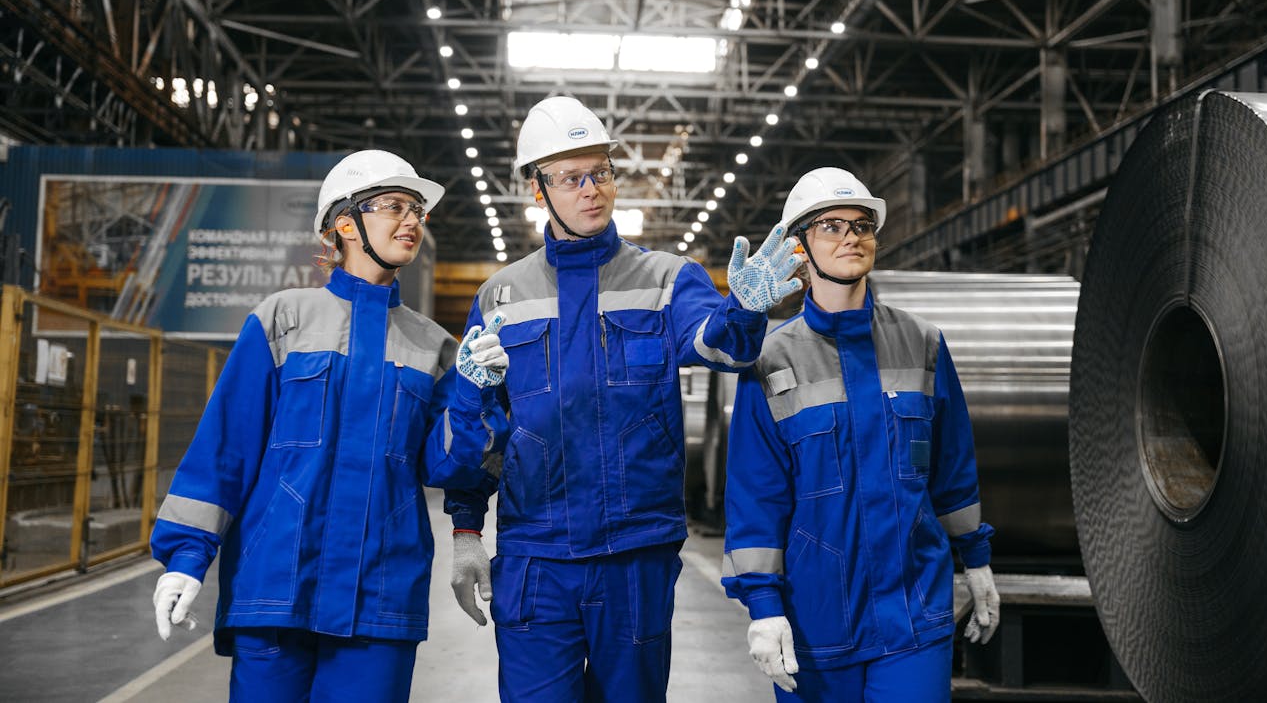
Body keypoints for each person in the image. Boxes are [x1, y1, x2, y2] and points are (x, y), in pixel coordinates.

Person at [446, 95, 804, 702]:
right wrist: (464, 531)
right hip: (537, 556)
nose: (593, 189)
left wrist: (743, 309)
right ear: (539, 190)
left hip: (634, 553)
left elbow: (720, 347)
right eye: (571, 178)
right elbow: (487, 421)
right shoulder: (502, 296)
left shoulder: (667, 279)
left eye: (602, 173)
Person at [149, 149, 511, 702]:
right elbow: (225, 449)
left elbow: (449, 466)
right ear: (345, 223)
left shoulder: (434, 345)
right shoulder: (282, 320)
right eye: (394, 206)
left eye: (417, 209)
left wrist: (471, 390)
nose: (412, 220)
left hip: (380, 595)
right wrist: (187, 557)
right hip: (275, 587)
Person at [721, 167, 1001, 702]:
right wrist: (764, 608)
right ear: (799, 247)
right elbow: (757, 497)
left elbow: (952, 468)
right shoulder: (771, 363)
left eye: (862, 225)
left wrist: (978, 560)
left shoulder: (923, 343)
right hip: (816, 618)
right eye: (831, 226)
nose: (852, 236)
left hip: (914, 611)